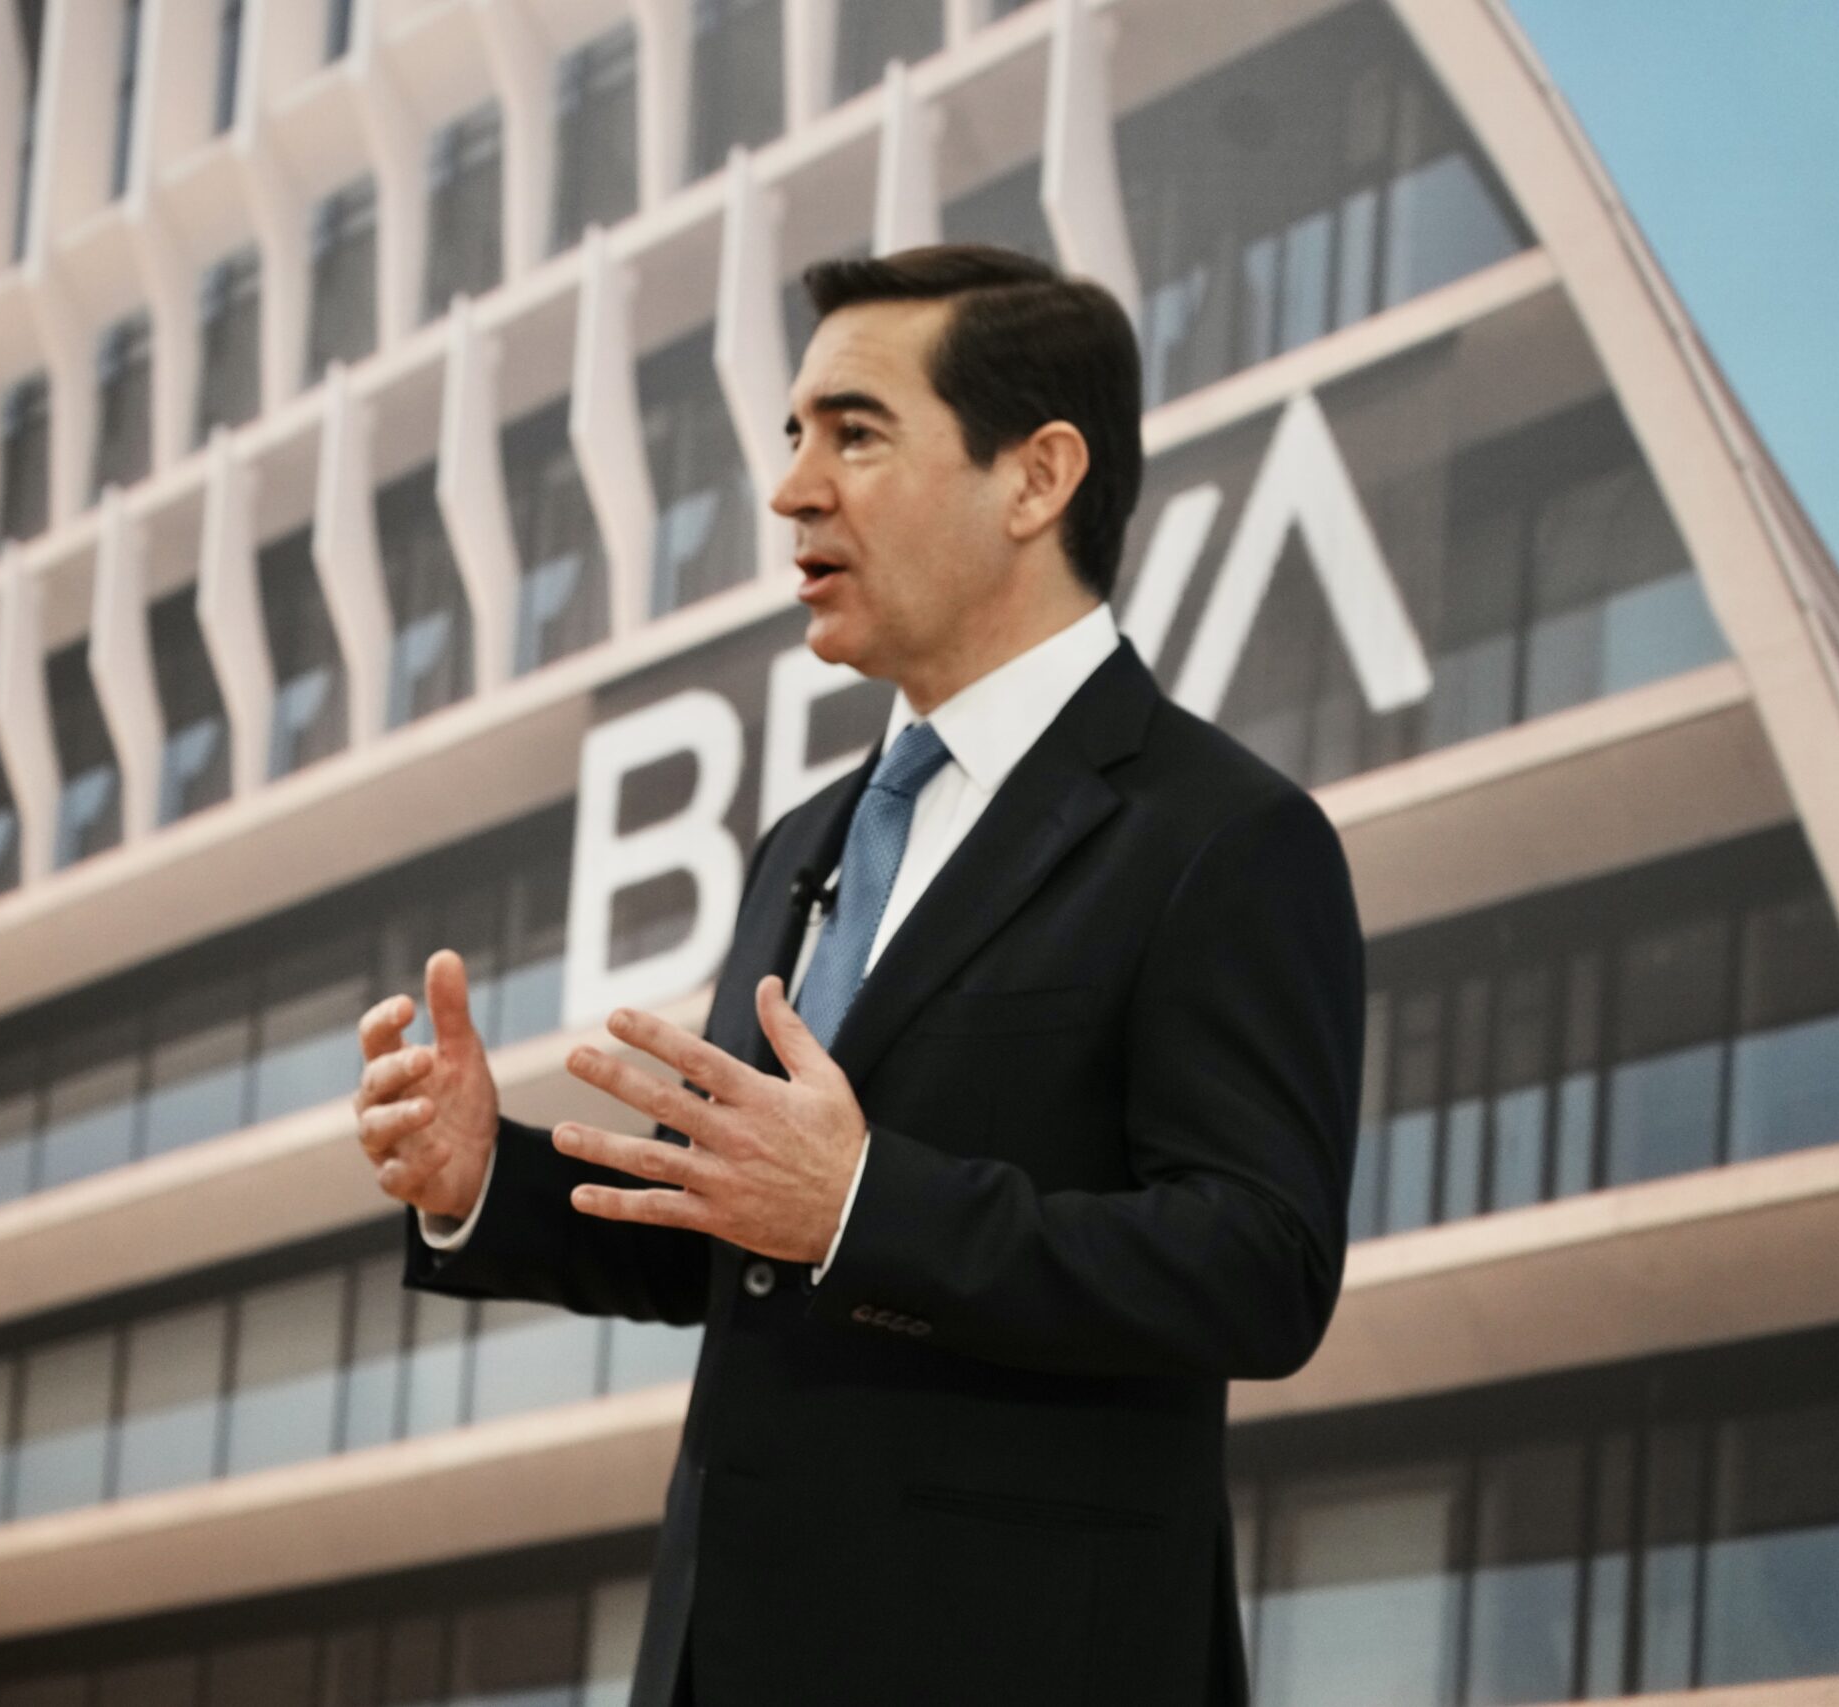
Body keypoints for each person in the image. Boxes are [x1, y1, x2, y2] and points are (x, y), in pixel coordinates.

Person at [352, 244, 1364, 1706]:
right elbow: (745, 1232)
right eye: (794, 436)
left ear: (1036, 478)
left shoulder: (1224, 837)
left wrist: (864, 1206)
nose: (792, 491)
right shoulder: (806, 841)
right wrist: (480, 1178)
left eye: (857, 434)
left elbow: (1259, 1268)